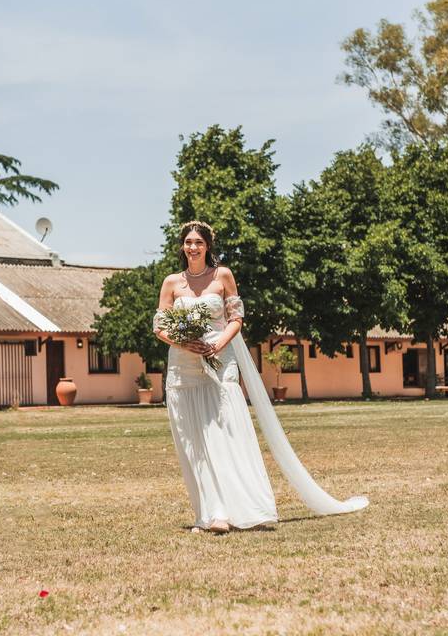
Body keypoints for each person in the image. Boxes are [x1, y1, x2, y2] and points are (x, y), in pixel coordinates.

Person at [153, 220, 368, 534]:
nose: (193, 247)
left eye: (199, 242)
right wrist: (184, 342)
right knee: (194, 443)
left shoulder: (223, 275)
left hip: (220, 361)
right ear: (182, 246)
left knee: (225, 434)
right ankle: (211, 514)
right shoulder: (172, 282)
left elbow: (236, 319)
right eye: (188, 242)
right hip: (183, 367)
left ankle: (240, 508)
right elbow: (160, 326)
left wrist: (216, 344)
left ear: (208, 246)